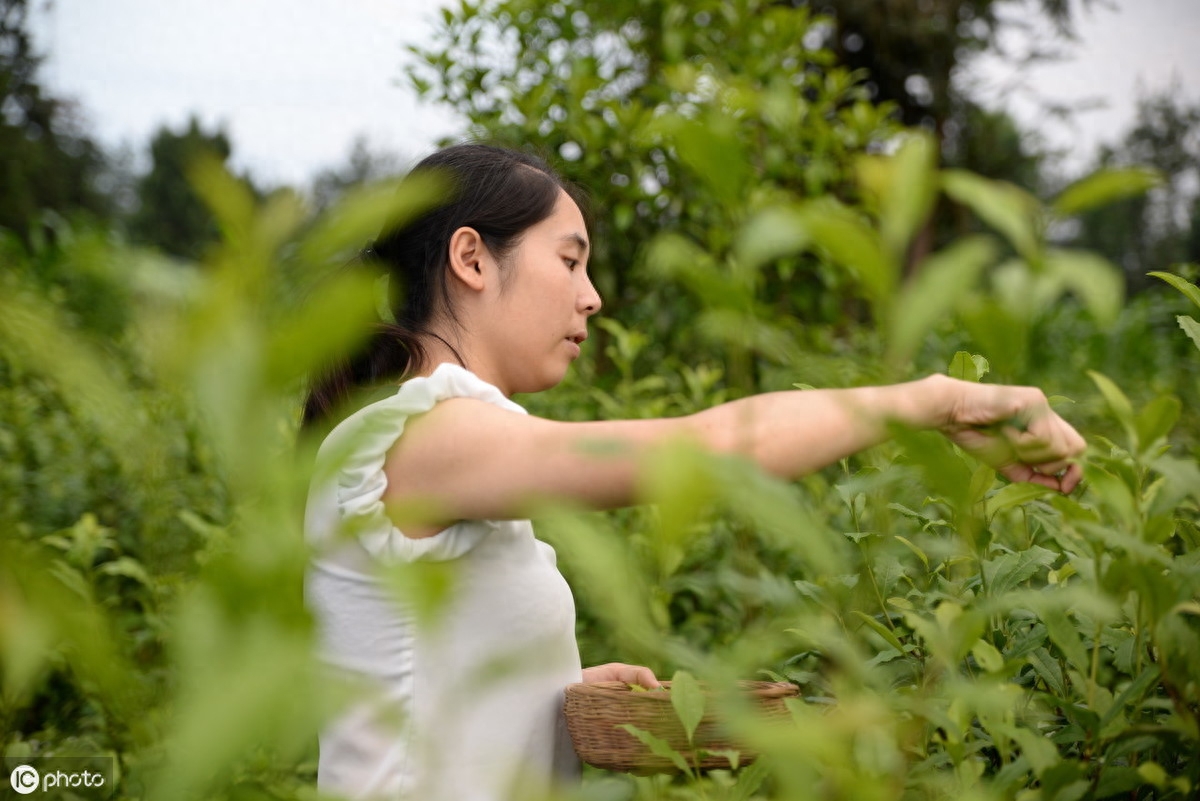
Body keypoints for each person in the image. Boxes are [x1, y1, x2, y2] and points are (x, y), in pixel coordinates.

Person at [301, 144, 1086, 801]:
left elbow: (415, 669)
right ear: (472, 257)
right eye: (569, 262)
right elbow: (708, 451)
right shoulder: (421, 434)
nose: (593, 297)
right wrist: (940, 400)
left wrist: (552, 689)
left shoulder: (441, 436)